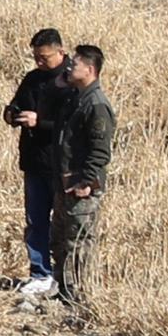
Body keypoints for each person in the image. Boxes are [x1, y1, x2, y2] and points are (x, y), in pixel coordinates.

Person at [53, 39, 117, 315]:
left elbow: (100, 151)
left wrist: (86, 181)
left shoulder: (96, 104)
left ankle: (79, 296)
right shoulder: (76, 98)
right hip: (65, 182)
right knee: (61, 238)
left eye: (75, 63)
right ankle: (63, 290)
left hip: (82, 185)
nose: (69, 66)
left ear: (90, 69)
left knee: (79, 241)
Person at [8, 26, 70, 293]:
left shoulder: (71, 82)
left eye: (44, 57)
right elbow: (16, 104)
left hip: (61, 165)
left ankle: (65, 273)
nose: (39, 62)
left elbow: (73, 125)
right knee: (36, 221)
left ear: (61, 53)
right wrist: (11, 114)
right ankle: (39, 272)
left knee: (64, 222)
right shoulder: (32, 79)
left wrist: (40, 122)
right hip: (33, 161)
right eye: (36, 57)